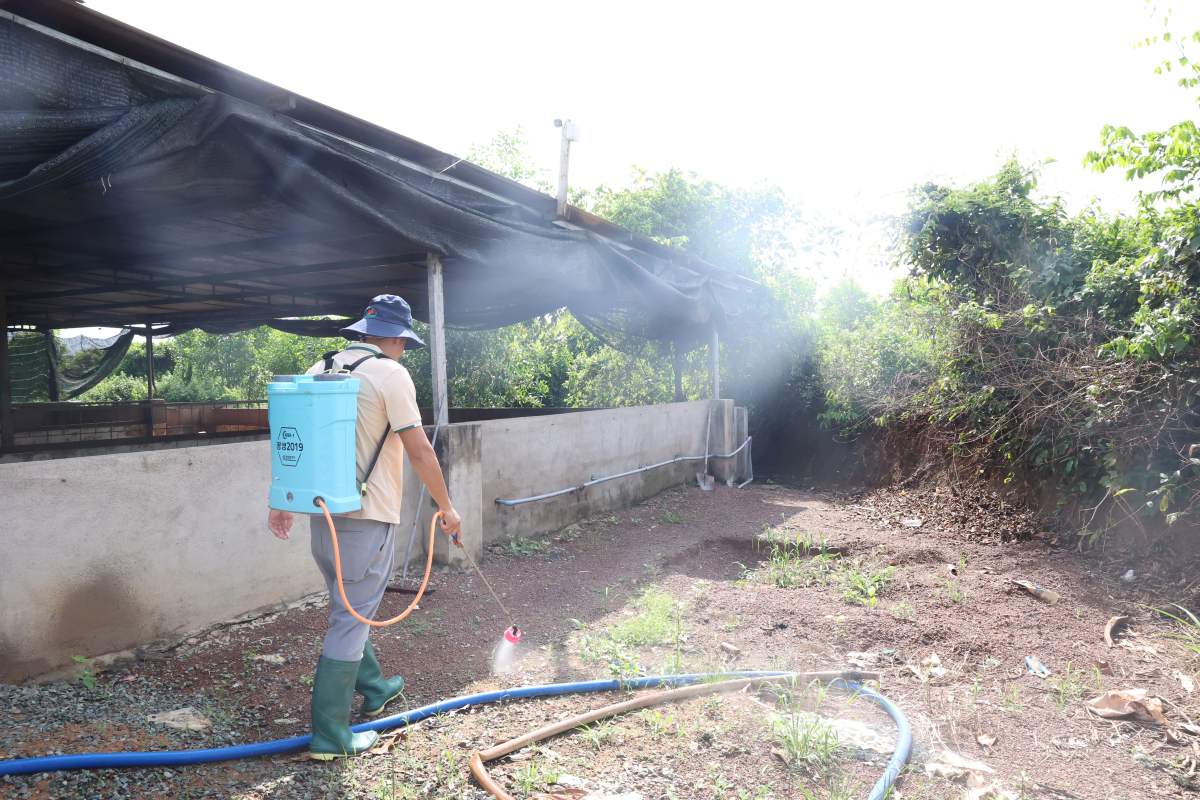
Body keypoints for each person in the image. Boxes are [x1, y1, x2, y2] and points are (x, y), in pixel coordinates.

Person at [266, 294, 463, 760]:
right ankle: (331, 735)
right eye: (405, 344)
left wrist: (281, 501)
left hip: (324, 516)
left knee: (349, 604)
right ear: (397, 338)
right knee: (349, 618)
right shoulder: (390, 374)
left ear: (364, 330)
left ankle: (375, 686)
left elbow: (290, 436)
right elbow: (419, 450)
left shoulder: (321, 366)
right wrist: (447, 507)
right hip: (367, 517)